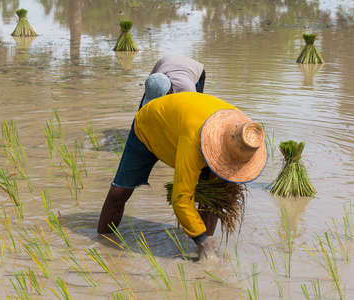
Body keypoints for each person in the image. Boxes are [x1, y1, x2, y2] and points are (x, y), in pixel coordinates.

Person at [97, 92, 267, 259]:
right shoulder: (194, 141)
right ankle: (102, 243)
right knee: (120, 192)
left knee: (214, 195)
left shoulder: (245, 132)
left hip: (181, 128)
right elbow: (180, 199)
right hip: (150, 126)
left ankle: (200, 253)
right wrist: (203, 242)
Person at [139, 54, 205, 109]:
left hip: (194, 68)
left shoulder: (187, 88)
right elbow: (142, 109)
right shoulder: (153, 82)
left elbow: (193, 109)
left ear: (169, 92)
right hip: (167, 61)